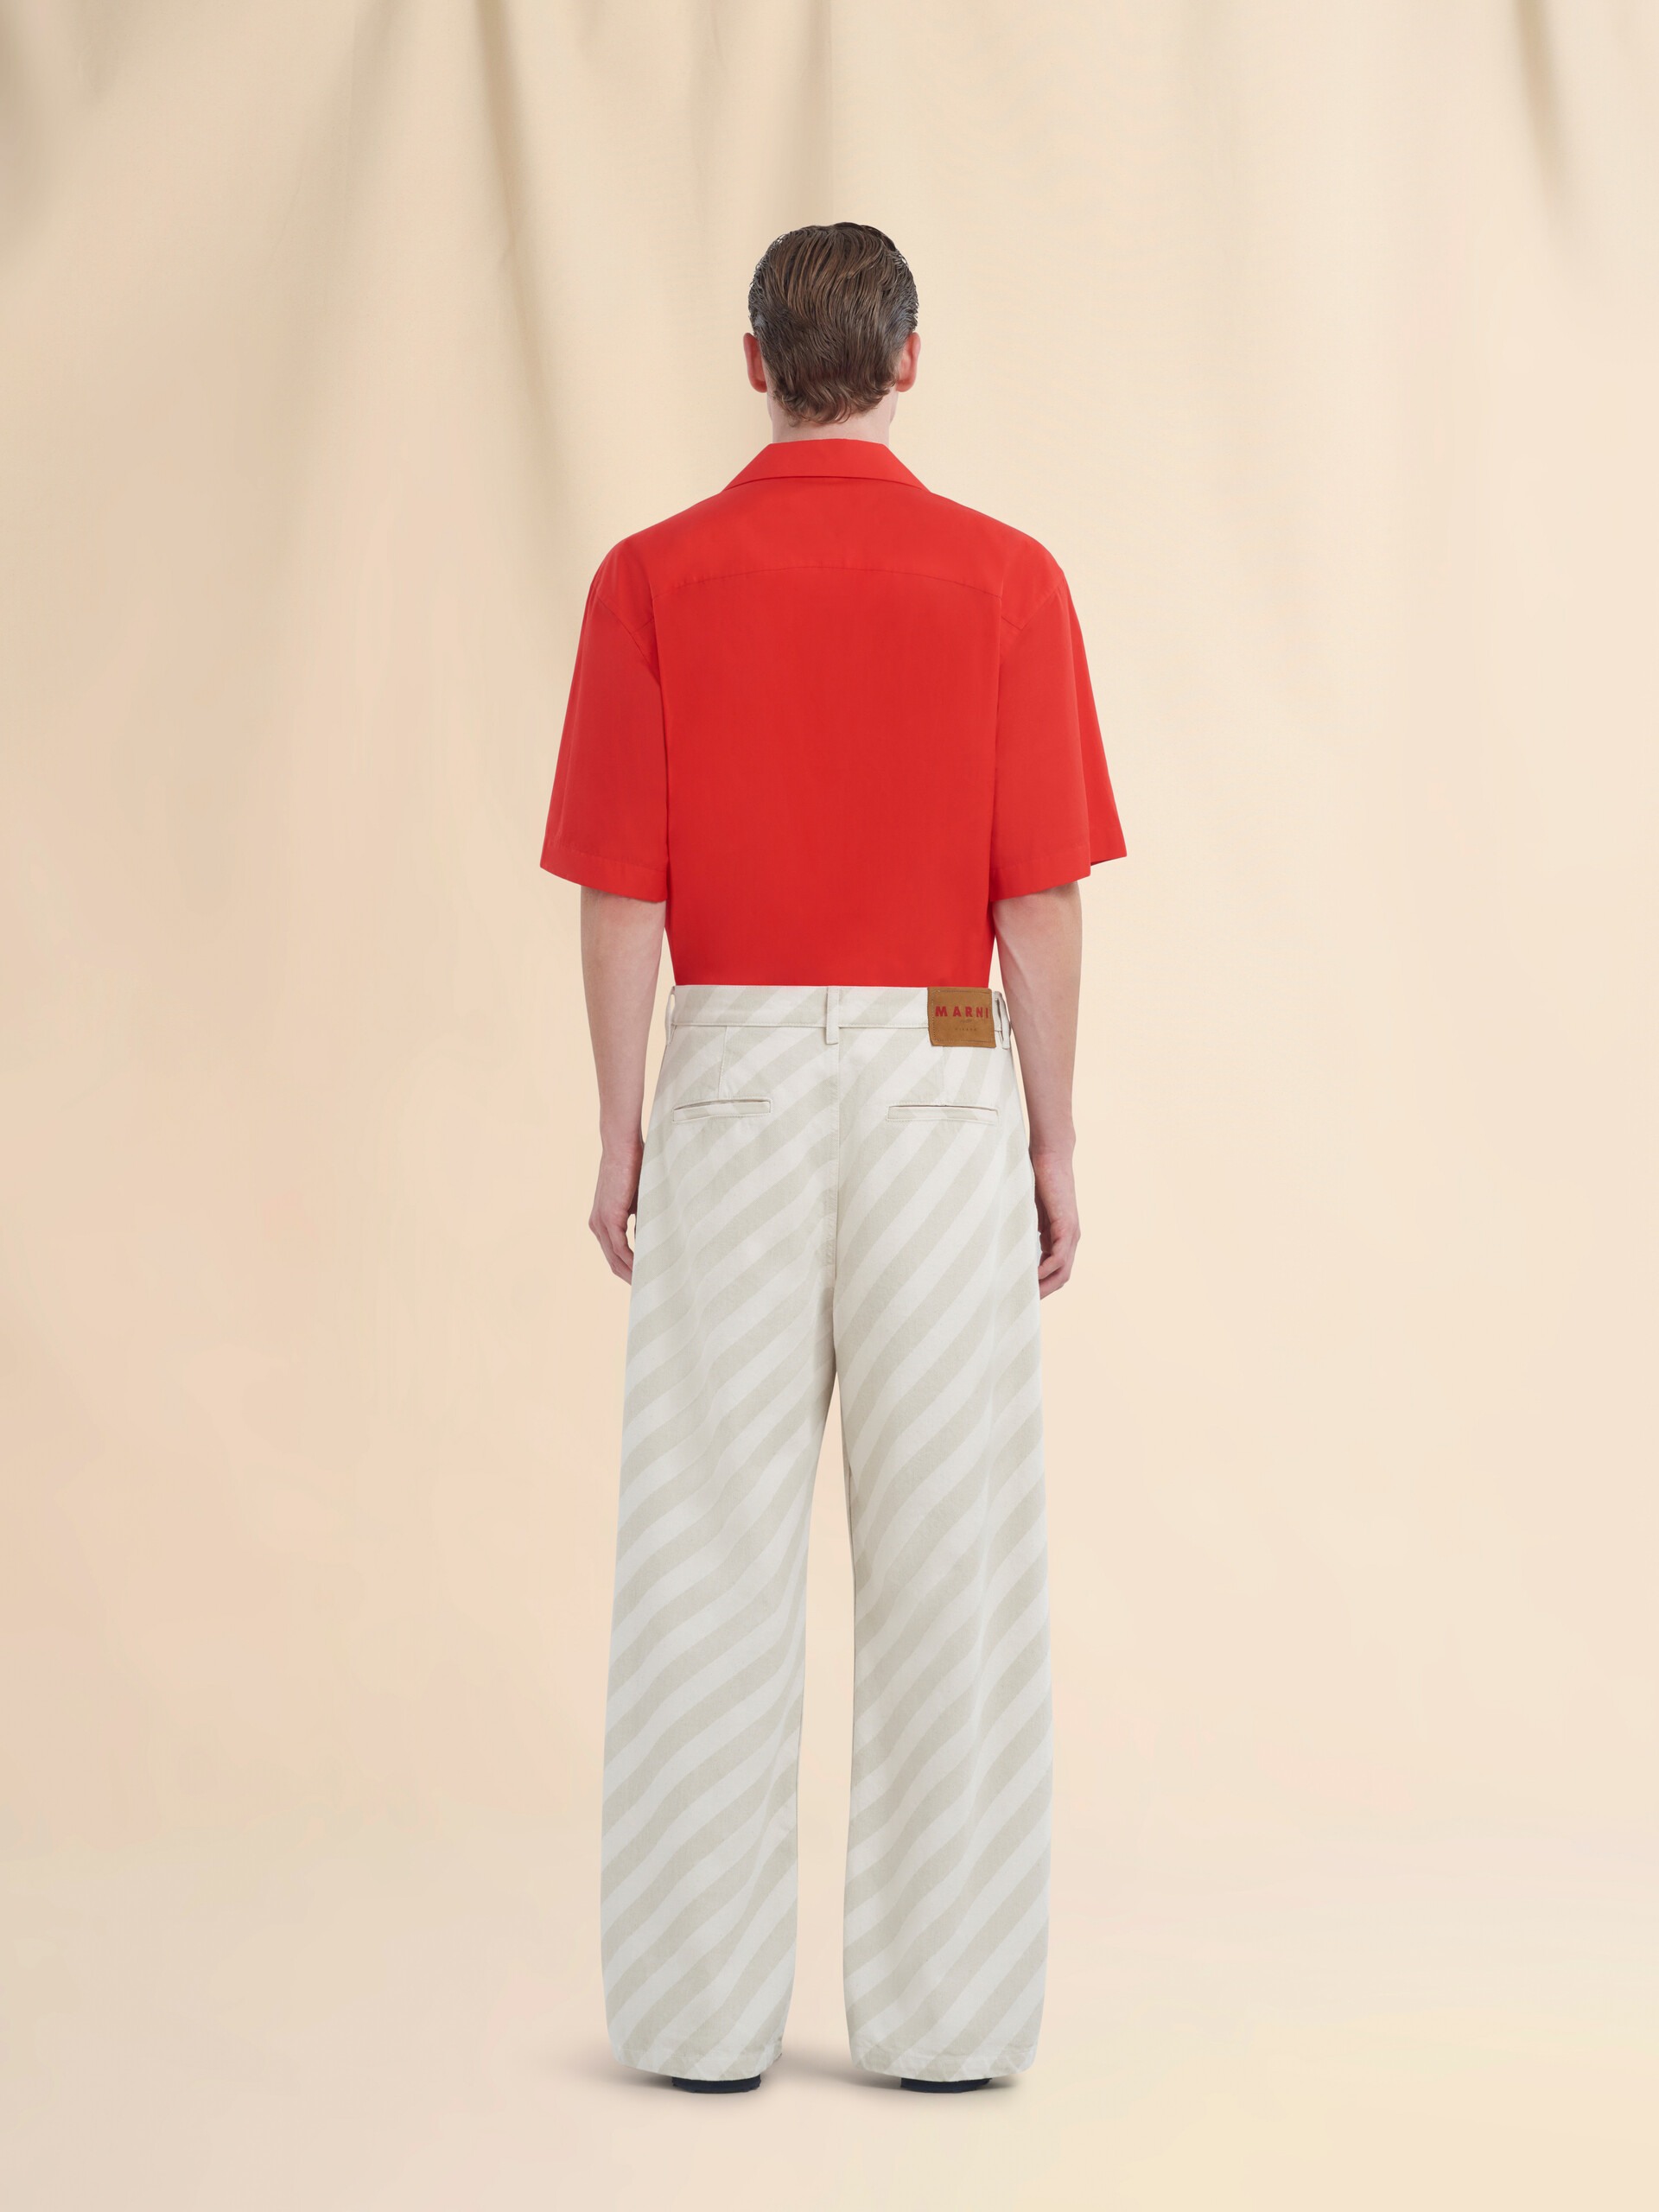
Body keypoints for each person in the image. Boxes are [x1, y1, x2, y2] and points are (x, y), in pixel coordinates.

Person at [538, 222, 1125, 2095]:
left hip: (727, 1066)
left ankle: (694, 2017)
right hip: (943, 1059)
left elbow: (624, 893)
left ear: (753, 362)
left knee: (706, 1539)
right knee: (952, 1551)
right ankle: (947, 2019)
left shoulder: (652, 578)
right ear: (910, 361)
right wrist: (1051, 1130)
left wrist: (623, 1125)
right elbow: (1035, 899)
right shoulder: (1010, 580)